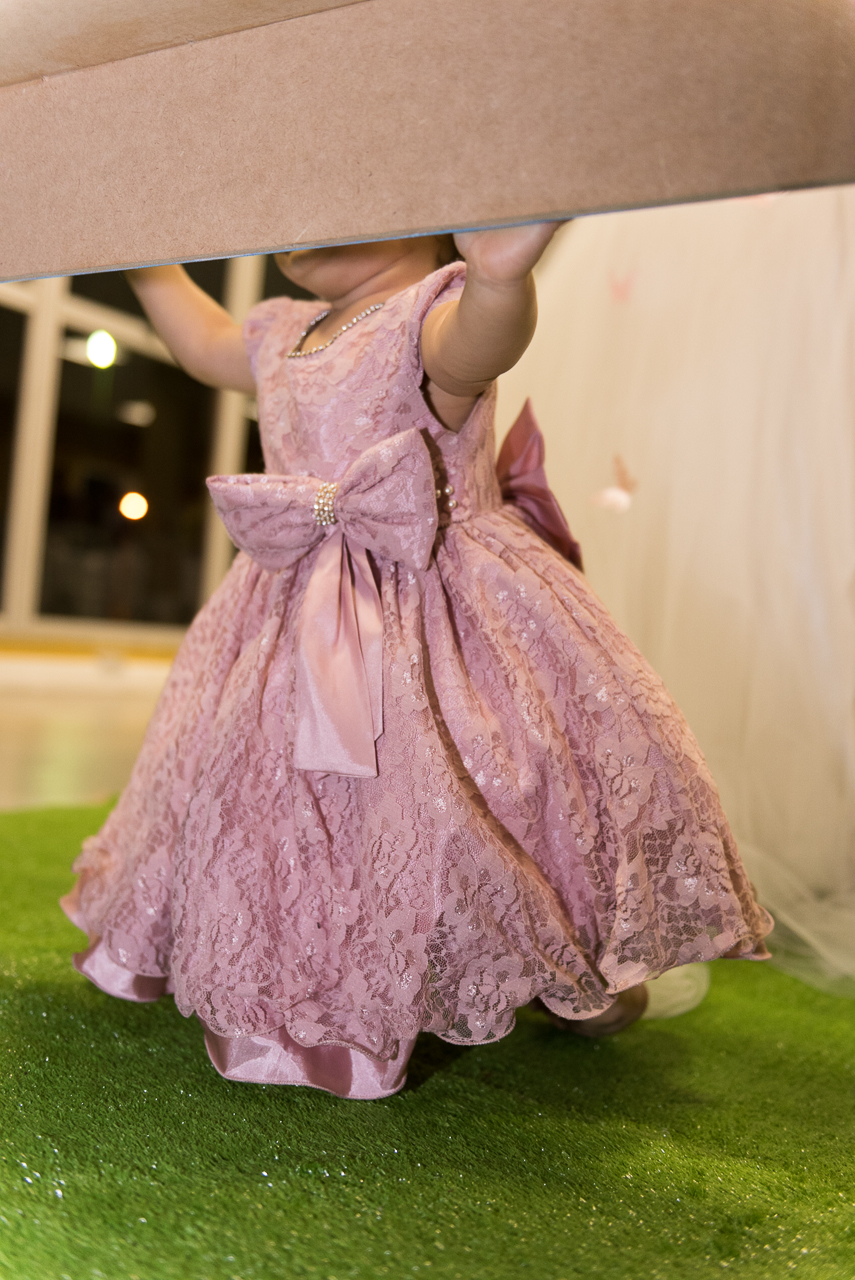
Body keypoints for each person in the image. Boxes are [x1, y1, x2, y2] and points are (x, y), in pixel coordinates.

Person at [60, 226, 772, 1099]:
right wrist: (147, 256)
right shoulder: (285, 328)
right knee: (282, 802)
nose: (294, 226)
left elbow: (475, 347)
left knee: (477, 783)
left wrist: (501, 278)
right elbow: (208, 345)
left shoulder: (429, 310)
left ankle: (563, 965)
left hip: (433, 600)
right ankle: (315, 975)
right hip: (290, 613)